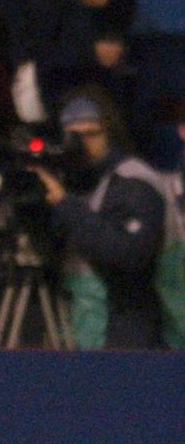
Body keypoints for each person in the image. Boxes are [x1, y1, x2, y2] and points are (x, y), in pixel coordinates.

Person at [30, 90, 178, 349]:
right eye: (73, 136)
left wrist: (66, 206)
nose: (82, 144)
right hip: (80, 325)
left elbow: (129, 255)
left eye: (92, 134)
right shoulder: (66, 181)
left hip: (130, 332)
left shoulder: (133, 181)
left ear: (109, 133)